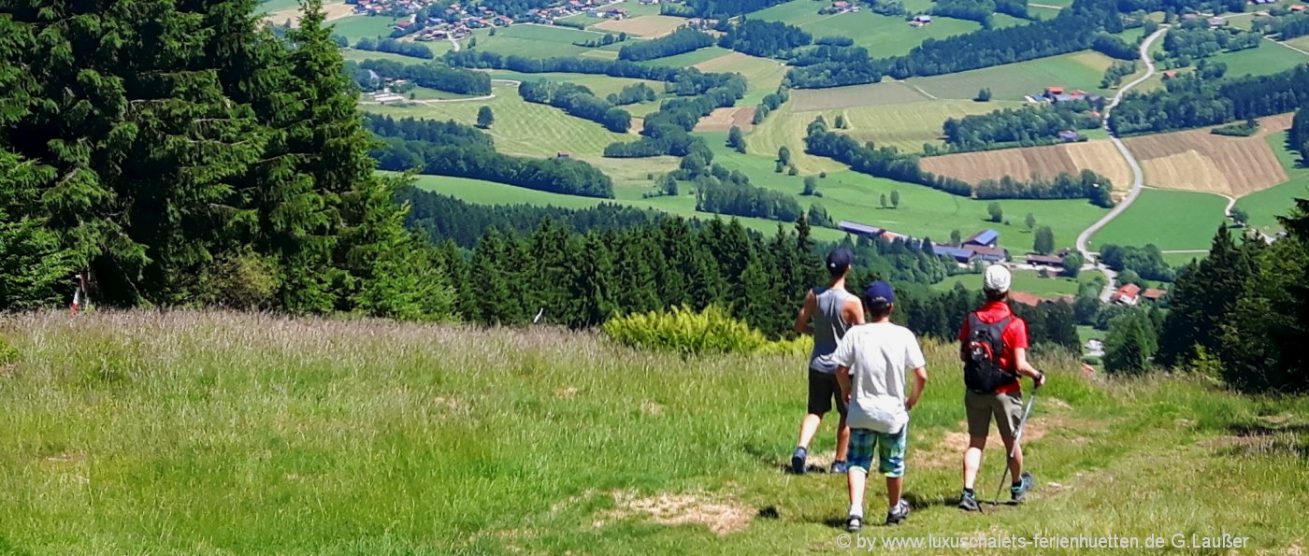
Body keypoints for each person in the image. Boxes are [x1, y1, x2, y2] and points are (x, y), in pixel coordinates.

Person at [833, 281, 927, 530]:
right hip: (892, 414)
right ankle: (895, 509)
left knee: (857, 461)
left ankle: (855, 511)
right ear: (891, 307)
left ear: (867, 307)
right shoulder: (903, 335)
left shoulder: (856, 334)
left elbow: (841, 368)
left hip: (862, 410)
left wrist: (846, 390)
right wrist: (912, 400)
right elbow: (922, 375)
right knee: (894, 463)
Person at [957, 265, 1047, 512]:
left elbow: (964, 355)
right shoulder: (1014, 323)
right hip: (1005, 391)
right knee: (1011, 441)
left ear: (985, 289)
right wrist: (1037, 375)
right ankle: (1017, 487)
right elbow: (1020, 364)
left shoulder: (971, 319)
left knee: (975, 443)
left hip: (975, 390)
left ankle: (968, 492)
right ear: (1006, 290)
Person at [790, 248, 865, 475]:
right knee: (847, 414)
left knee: (815, 411)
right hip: (843, 367)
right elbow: (861, 336)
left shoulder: (814, 295)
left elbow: (799, 325)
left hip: (817, 364)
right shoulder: (852, 302)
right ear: (848, 269)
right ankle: (839, 462)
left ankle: (801, 449)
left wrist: (817, 331)